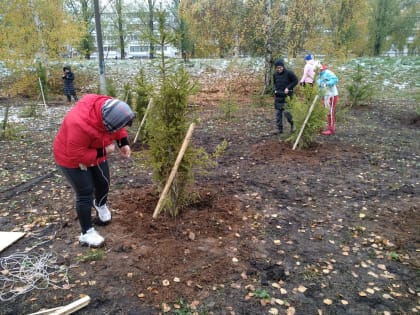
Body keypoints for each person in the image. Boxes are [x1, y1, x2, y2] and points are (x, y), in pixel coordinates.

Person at [53, 94, 135, 247]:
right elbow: (77, 154)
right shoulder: (77, 124)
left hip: (95, 147)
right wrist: (105, 151)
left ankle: (100, 205)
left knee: (103, 181)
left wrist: (122, 142)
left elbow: (118, 127)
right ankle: (87, 233)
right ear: (105, 124)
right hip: (70, 158)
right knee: (85, 192)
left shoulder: (108, 108)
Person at [273, 59, 298, 133]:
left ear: (283, 66)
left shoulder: (289, 73)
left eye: (280, 67)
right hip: (278, 97)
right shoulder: (275, 74)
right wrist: (274, 90)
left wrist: (288, 88)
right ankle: (279, 129)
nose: (279, 69)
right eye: (277, 68)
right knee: (278, 114)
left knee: (287, 113)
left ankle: (293, 126)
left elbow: (295, 81)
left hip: (287, 96)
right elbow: (274, 83)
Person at [317, 64, 339, 135]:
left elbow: (335, 79)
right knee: (327, 112)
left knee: (330, 112)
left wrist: (327, 83)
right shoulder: (318, 75)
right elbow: (319, 85)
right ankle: (329, 127)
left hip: (332, 95)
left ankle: (331, 130)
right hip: (325, 95)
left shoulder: (328, 73)